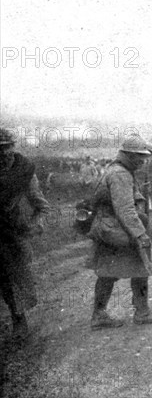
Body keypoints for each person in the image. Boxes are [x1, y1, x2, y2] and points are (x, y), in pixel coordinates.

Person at [86, 136, 152, 329]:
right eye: (139, 156)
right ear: (128, 155)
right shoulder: (120, 174)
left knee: (107, 272)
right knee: (140, 268)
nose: (142, 160)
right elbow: (125, 209)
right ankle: (142, 312)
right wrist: (140, 234)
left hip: (111, 229)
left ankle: (100, 314)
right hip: (119, 230)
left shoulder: (118, 171)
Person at [0, 128, 50, 340]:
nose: (4, 152)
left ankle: (19, 318)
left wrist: (35, 224)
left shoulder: (24, 170)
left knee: (12, 276)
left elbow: (41, 205)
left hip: (11, 230)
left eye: (8, 147)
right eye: (0, 148)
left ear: (14, 146)